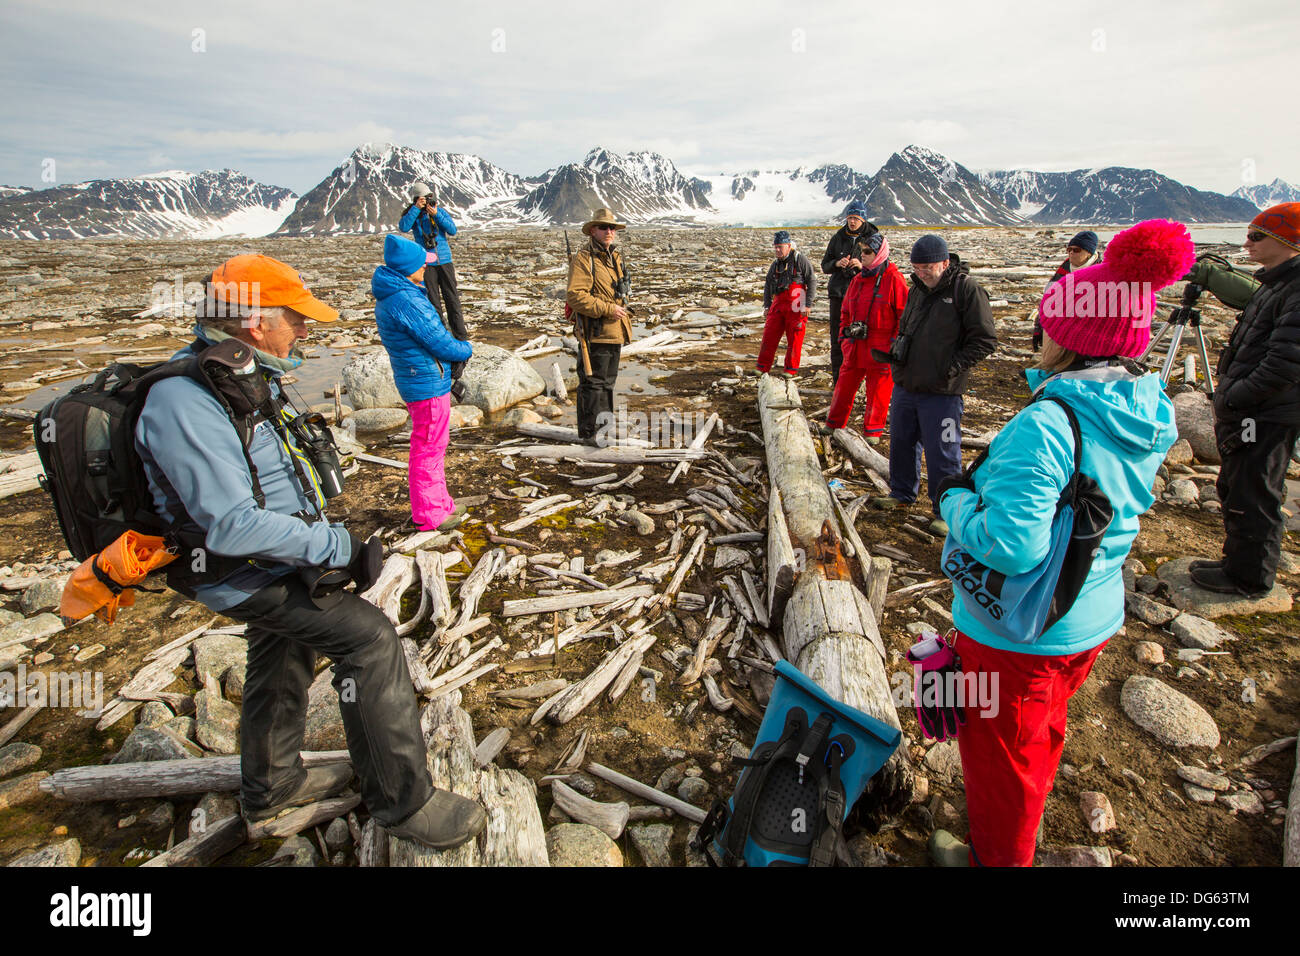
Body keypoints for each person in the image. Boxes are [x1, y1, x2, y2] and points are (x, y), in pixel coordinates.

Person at [134, 254, 484, 849]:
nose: (305, 330)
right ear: (251, 317)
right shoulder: (184, 401)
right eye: (294, 317)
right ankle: (404, 803)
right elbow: (230, 525)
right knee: (369, 640)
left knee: (283, 643)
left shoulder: (240, 379)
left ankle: (271, 791)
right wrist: (336, 547)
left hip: (265, 562)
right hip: (232, 568)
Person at [928, 218, 1191, 867]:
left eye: (1048, 325)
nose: (1038, 335)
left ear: (1069, 337)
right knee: (1037, 736)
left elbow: (1014, 547)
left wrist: (955, 500)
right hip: (1088, 616)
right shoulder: (1149, 406)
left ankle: (998, 859)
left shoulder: (1047, 424)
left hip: (1019, 635)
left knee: (999, 758)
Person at [1189, 202, 1300, 597]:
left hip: (1265, 411)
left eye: (1257, 236)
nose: (1247, 243)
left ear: (1287, 241)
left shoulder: (1294, 288)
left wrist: (1234, 398)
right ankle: (1237, 563)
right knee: (1238, 484)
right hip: (1258, 408)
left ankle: (1248, 578)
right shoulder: (1277, 283)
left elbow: (1285, 364)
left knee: (1254, 488)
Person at [873, 235, 996, 536]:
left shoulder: (966, 291)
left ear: (944, 262)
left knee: (944, 451)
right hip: (906, 384)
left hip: (942, 393)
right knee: (901, 442)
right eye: (916, 267)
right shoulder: (917, 289)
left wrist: (951, 368)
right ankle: (901, 493)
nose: (921, 272)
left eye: (927, 266)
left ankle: (946, 510)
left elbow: (985, 340)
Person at [373, 235, 474, 532]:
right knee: (428, 447)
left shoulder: (400, 292)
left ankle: (442, 504)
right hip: (425, 383)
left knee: (434, 444)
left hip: (425, 379)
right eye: (422, 265)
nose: (426, 269)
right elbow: (437, 340)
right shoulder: (405, 299)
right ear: (410, 267)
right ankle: (430, 515)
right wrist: (464, 348)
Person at [823, 231, 908, 442]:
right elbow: (845, 311)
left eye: (868, 252)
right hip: (855, 344)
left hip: (880, 347)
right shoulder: (858, 279)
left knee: (878, 390)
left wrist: (893, 344)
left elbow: (904, 317)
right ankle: (834, 423)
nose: (863, 256)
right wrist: (845, 338)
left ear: (880, 254)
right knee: (844, 385)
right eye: (862, 251)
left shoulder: (894, 280)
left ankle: (873, 431)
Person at [567, 206, 632, 443]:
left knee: (606, 384)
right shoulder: (584, 259)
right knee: (594, 384)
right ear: (592, 230)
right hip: (596, 331)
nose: (609, 231)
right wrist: (607, 308)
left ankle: (603, 431)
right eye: (603, 227)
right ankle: (591, 434)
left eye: (612, 227)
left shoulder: (614, 256)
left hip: (615, 330)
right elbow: (575, 296)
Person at [399, 183, 468, 394]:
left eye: (428, 198)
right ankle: (442, 336)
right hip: (426, 263)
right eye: (422, 199)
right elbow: (403, 226)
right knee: (434, 303)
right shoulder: (414, 213)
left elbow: (452, 230)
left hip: (444, 260)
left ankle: (460, 336)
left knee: (452, 300)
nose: (426, 201)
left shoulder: (438, 210)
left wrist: (436, 214)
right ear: (416, 199)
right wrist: (416, 209)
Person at [821, 201, 879, 383]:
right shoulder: (838, 237)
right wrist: (838, 264)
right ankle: (840, 380)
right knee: (839, 337)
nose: (852, 222)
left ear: (863, 219)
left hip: (864, 295)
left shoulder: (874, 237)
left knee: (864, 338)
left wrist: (863, 266)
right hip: (839, 293)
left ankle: (863, 379)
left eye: (856, 218)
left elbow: (882, 265)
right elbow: (825, 265)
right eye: (849, 218)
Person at [757, 230, 816, 376]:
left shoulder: (800, 259)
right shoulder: (775, 264)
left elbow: (812, 280)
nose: (777, 250)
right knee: (769, 334)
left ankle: (790, 369)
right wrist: (767, 305)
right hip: (778, 303)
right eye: (775, 247)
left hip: (796, 302)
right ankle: (762, 367)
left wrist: (807, 304)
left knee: (795, 337)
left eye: (780, 247)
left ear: (788, 246)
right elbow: (768, 284)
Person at [1032, 231, 1102, 351]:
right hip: (1059, 333)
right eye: (1069, 249)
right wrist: (1039, 328)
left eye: (1076, 250)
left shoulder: (1101, 274)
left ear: (1089, 253)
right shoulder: (1063, 270)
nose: (1071, 253)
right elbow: (1047, 302)